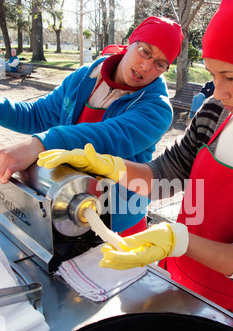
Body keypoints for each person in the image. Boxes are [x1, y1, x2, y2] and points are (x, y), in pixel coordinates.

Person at [38, 0, 233, 331]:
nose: (217, 92)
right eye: (213, 75)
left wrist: (181, 241)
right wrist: (111, 167)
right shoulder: (214, 114)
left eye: (230, 76)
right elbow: (167, 173)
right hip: (178, 281)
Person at [0, 17, 183, 235]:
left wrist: (39, 144)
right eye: (145, 51)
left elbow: (105, 138)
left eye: (160, 64)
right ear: (131, 41)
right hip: (65, 206)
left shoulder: (156, 109)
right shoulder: (85, 77)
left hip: (116, 222)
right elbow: (38, 114)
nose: (146, 66)